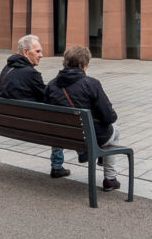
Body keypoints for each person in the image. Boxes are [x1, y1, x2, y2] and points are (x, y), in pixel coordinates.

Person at [45, 44, 123, 192]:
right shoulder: (91, 84)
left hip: (62, 136)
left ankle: (91, 155)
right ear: (83, 65)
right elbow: (109, 117)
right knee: (115, 131)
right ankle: (110, 179)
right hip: (91, 137)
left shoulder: (51, 85)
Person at [0, 34, 68, 178]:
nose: (41, 55)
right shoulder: (30, 73)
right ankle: (57, 165)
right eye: (37, 51)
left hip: (7, 122)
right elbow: (47, 98)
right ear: (25, 52)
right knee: (60, 120)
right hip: (30, 125)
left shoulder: (7, 69)